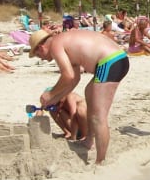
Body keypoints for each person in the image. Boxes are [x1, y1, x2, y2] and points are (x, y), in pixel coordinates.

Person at [30, 28, 130, 165]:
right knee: (89, 92)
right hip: (116, 59)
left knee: (98, 117)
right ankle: (89, 140)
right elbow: (74, 79)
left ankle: (101, 161)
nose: (42, 59)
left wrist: (50, 94)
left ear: (41, 48)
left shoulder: (55, 46)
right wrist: (53, 99)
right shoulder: (64, 41)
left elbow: (68, 76)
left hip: (109, 62)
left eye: (37, 55)